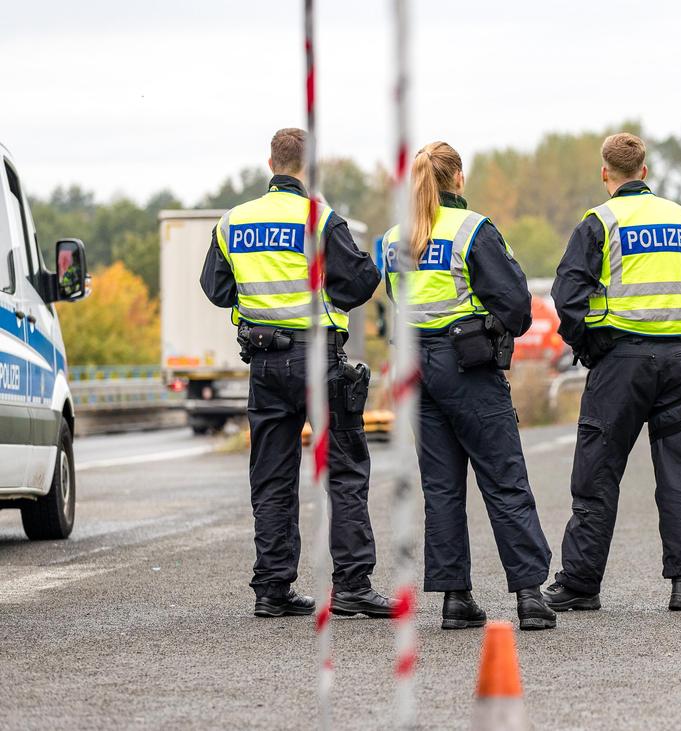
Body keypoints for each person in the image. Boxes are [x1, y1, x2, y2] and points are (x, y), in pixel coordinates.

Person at [200, 128, 395, 619]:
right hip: (318, 362)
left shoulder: (233, 221)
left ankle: (272, 588)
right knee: (345, 471)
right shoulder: (321, 219)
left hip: (264, 363)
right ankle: (352, 586)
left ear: (271, 162)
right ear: (309, 167)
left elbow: (216, 289)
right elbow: (361, 283)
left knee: (271, 476)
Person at [544, 132, 681, 613]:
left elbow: (566, 298)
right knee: (677, 472)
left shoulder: (599, 221)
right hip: (675, 362)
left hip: (619, 364)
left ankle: (581, 584)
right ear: (645, 171)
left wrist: (589, 344)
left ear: (606, 174)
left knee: (597, 473)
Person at [381, 141, 555, 631]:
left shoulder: (394, 238)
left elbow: (398, 298)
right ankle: (528, 596)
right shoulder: (473, 229)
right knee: (503, 478)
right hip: (467, 368)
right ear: (458, 177)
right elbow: (517, 306)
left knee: (441, 487)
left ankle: (455, 598)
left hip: (415, 368)